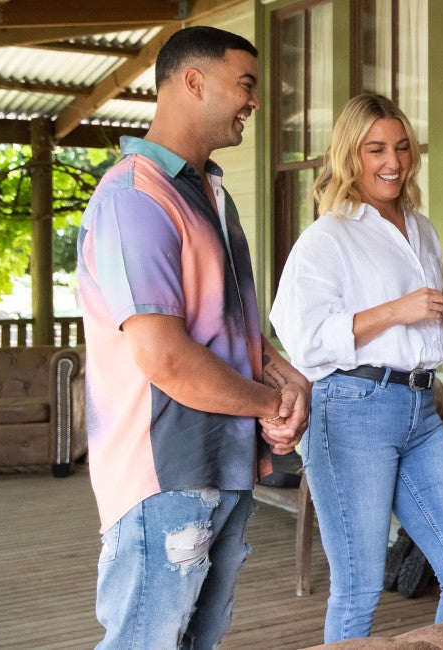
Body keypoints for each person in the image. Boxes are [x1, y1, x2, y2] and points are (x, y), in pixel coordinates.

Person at [76, 26, 310, 648]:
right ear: (193, 82)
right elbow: (165, 356)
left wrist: (282, 373)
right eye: (247, 85)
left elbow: (224, 325)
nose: (255, 102)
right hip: (164, 474)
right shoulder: (135, 196)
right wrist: (271, 405)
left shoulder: (210, 192)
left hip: (221, 463)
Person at [269, 93, 443, 642]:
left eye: (401, 147)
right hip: (351, 410)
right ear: (351, 156)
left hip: (420, 408)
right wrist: (398, 309)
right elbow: (304, 339)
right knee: (359, 587)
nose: (393, 161)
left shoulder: (421, 228)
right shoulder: (327, 237)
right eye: (375, 149)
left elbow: (417, 323)